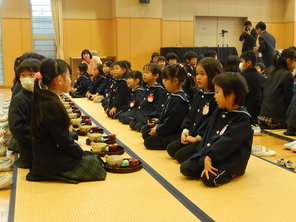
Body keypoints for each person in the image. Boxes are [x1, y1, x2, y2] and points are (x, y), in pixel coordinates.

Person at [27, 58, 106, 183]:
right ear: (59, 80)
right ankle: (48, 173)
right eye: (69, 76)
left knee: (92, 157)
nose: (70, 79)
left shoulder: (46, 97)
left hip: (46, 155)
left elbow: (59, 133)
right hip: (50, 160)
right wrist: (80, 152)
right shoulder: (51, 103)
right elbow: (63, 140)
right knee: (96, 165)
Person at [180, 72, 252, 187]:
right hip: (212, 153)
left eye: (217, 92)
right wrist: (204, 154)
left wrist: (210, 156)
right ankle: (206, 162)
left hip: (230, 159)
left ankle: (231, 173)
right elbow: (209, 132)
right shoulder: (220, 110)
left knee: (208, 179)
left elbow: (228, 142)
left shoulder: (242, 118)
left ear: (231, 95)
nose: (215, 96)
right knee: (186, 167)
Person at [167, 57, 222, 163]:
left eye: (203, 74)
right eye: (197, 74)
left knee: (180, 156)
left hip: (203, 138)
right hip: (191, 134)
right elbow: (190, 115)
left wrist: (198, 138)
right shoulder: (198, 94)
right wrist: (185, 131)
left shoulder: (216, 98)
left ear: (214, 75)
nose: (198, 78)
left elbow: (211, 122)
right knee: (171, 149)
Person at [142, 64, 190, 150]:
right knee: (145, 133)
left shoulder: (180, 99)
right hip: (166, 127)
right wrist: (157, 123)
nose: (163, 82)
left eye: (165, 79)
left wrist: (158, 129)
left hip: (174, 132)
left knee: (149, 142)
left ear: (175, 81)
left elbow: (171, 122)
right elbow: (165, 114)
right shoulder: (173, 95)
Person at [8, 58, 41, 168]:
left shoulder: (39, 94)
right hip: (30, 152)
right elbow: (17, 127)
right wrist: (41, 135)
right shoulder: (19, 99)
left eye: (31, 75)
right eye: (23, 75)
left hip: (43, 147)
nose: (27, 79)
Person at [258, 48, 295, 129]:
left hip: (262, 117)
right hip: (276, 119)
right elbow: (289, 100)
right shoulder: (287, 75)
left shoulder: (272, 72)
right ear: (289, 61)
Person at [129, 63, 165, 132]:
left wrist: (150, 119)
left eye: (147, 73)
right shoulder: (147, 87)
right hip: (142, 115)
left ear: (156, 75)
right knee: (132, 124)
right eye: (143, 72)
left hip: (148, 117)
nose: (144, 75)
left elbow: (157, 108)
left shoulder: (159, 90)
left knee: (139, 127)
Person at [240, 51, 265, 123]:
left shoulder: (240, 76)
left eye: (242, 61)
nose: (241, 64)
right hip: (257, 109)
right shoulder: (261, 77)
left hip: (243, 108)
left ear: (249, 63)